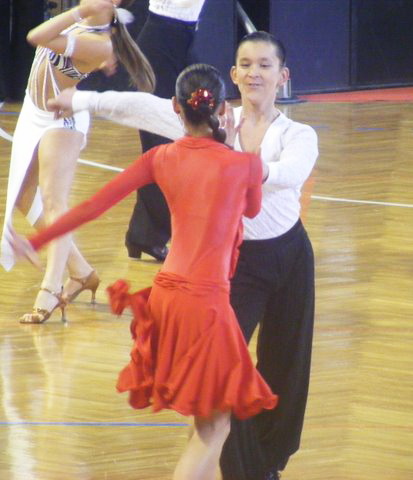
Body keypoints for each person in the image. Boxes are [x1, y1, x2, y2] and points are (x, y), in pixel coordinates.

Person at [48, 30, 318, 480]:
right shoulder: (207, 116)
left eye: (264, 65)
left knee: (287, 370)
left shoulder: (296, 133)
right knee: (224, 386)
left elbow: (292, 174)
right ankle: (246, 473)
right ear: (233, 75)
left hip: (290, 255)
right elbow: (141, 106)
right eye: (246, 64)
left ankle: (269, 464)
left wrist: (239, 162)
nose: (254, 73)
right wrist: (81, 100)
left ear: (283, 76)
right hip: (234, 268)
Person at [10, 63, 278, 480]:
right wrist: (238, 150)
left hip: (166, 297)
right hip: (205, 304)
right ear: (223, 109)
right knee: (215, 427)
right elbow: (253, 209)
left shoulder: (159, 158)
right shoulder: (243, 165)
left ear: (175, 107)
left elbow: (90, 207)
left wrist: (36, 240)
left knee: (206, 422)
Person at [0, 0, 155, 324]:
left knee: (54, 202)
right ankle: (81, 272)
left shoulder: (100, 43)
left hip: (62, 119)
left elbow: (35, 36)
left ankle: (51, 288)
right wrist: (83, 13)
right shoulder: (86, 23)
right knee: (25, 197)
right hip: (33, 110)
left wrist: (80, 11)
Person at [124, 0, 206, 262]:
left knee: (185, 142)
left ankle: (145, 234)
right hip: (161, 43)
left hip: (181, 41)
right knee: (164, 148)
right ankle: (149, 235)